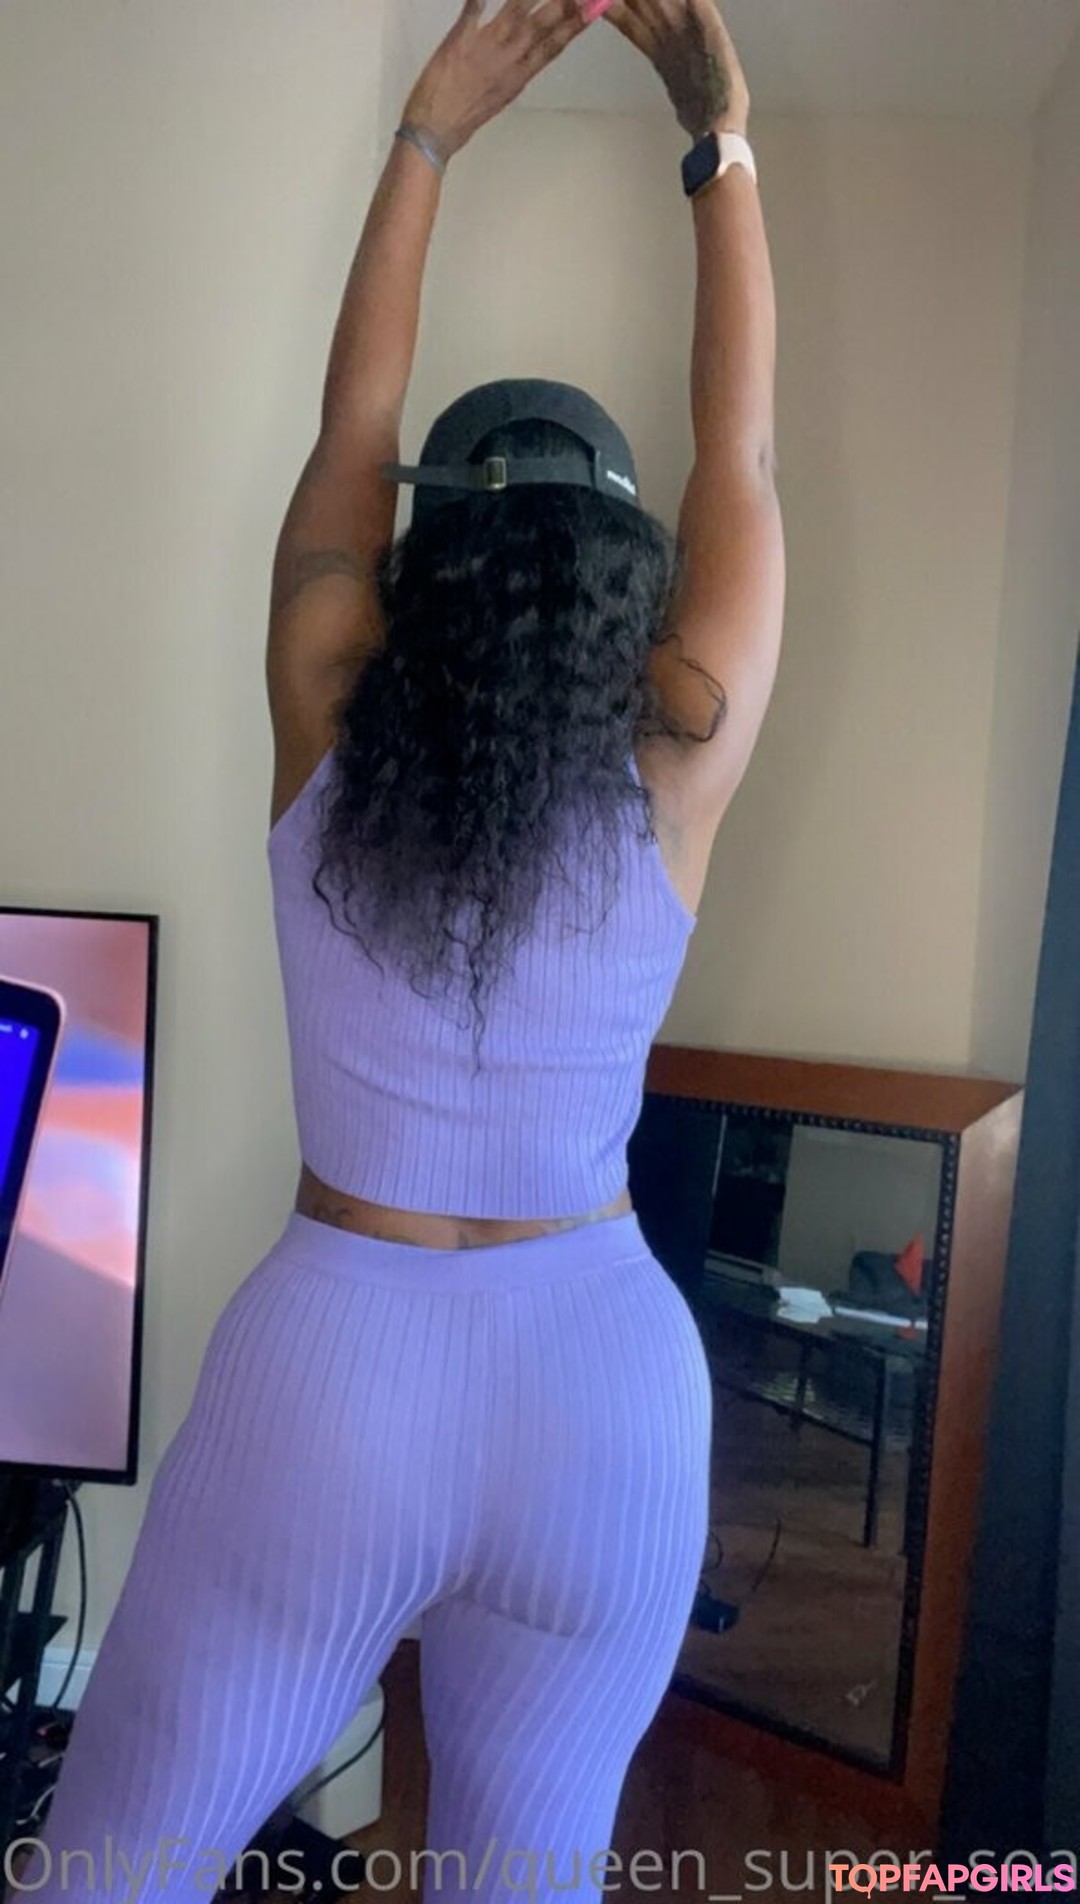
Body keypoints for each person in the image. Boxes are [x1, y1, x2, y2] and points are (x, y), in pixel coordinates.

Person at [24, 0, 783, 1897]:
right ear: (630, 583)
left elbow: (351, 430)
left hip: (340, 1365)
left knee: (109, 1872)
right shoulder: (680, 753)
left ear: (421, 555)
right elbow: (747, 454)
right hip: (605, 1388)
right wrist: (721, 143)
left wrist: (428, 132)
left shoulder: (329, 701)